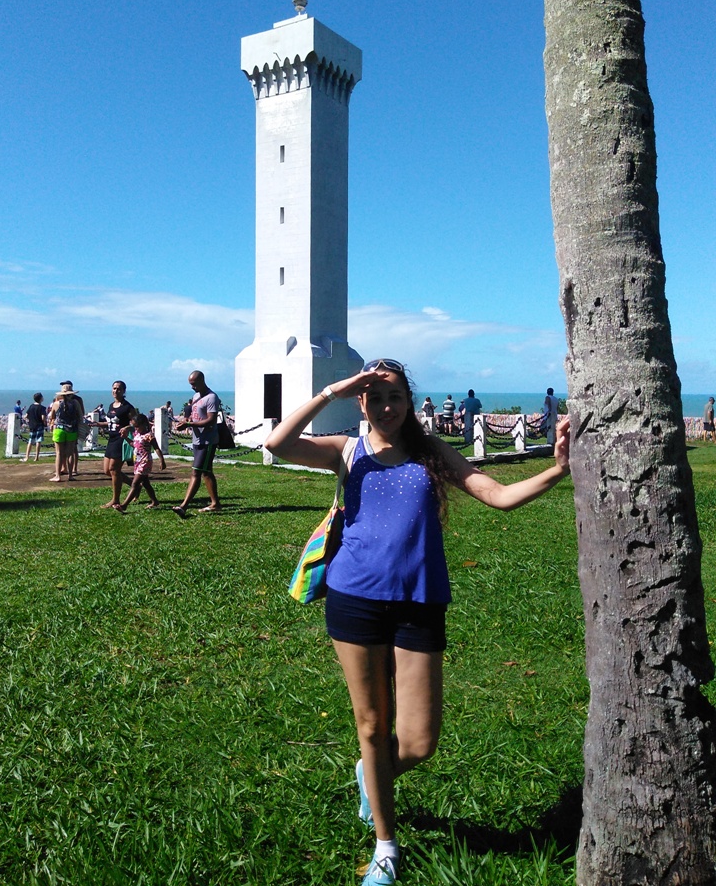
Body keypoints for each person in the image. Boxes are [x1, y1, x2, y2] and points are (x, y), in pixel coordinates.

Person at [265, 359, 571, 886]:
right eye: (375, 397)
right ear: (361, 402)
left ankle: (371, 772)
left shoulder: (431, 452)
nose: (387, 407)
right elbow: (277, 442)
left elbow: (497, 496)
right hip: (354, 599)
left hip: (419, 602)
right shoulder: (346, 451)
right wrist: (334, 389)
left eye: (396, 397)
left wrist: (559, 469)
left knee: (419, 741)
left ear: (409, 402)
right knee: (372, 726)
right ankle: (386, 845)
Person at [173, 371, 222, 517]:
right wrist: (187, 421)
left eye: (194, 384)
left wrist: (189, 424)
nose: (192, 387)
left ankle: (183, 506)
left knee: (196, 472)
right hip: (197, 439)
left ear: (202, 380)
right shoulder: (196, 397)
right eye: (190, 384)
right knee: (206, 472)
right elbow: (195, 416)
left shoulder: (211, 397)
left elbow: (211, 420)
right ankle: (215, 504)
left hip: (207, 441)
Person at [92, 381, 137, 508]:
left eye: (119, 389)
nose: (116, 391)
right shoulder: (112, 405)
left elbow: (137, 422)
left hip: (121, 440)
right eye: (114, 388)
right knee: (107, 471)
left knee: (114, 469)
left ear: (124, 391)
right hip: (111, 439)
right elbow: (111, 422)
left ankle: (115, 500)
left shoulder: (128, 407)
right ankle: (135, 486)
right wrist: (98, 424)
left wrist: (128, 427)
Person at [116, 413, 166, 511]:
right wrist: (126, 437)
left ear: (143, 424)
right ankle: (154, 501)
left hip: (145, 462)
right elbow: (134, 444)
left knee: (135, 484)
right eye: (134, 427)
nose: (136, 429)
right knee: (146, 483)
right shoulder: (137, 434)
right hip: (138, 461)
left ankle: (124, 505)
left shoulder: (149, 436)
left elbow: (156, 448)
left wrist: (162, 460)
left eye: (137, 426)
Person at [49, 389, 80, 482]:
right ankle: (70, 475)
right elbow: (80, 416)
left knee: (59, 453)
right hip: (72, 430)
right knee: (70, 453)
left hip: (59, 429)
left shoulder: (56, 404)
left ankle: (58, 475)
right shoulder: (75, 403)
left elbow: (52, 416)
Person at [59, 380, 86, 475]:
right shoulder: (59, 399)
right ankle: (64, 467)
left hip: (73, 425)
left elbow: (81, 413)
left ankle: (74, 468)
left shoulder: (77, 400)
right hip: (64, 426)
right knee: (63, 449)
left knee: (73, 448)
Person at [21, 392, 47, 462]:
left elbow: (26, 416)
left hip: (32, 425)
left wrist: (30, 420)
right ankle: (36, 457)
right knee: (38, 441)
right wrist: (45, 422)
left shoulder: (31, 406)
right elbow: (43, 418)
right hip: (39, 425)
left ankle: (27, 457)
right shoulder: (42, 408)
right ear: (41, 399)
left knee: (30, 441)